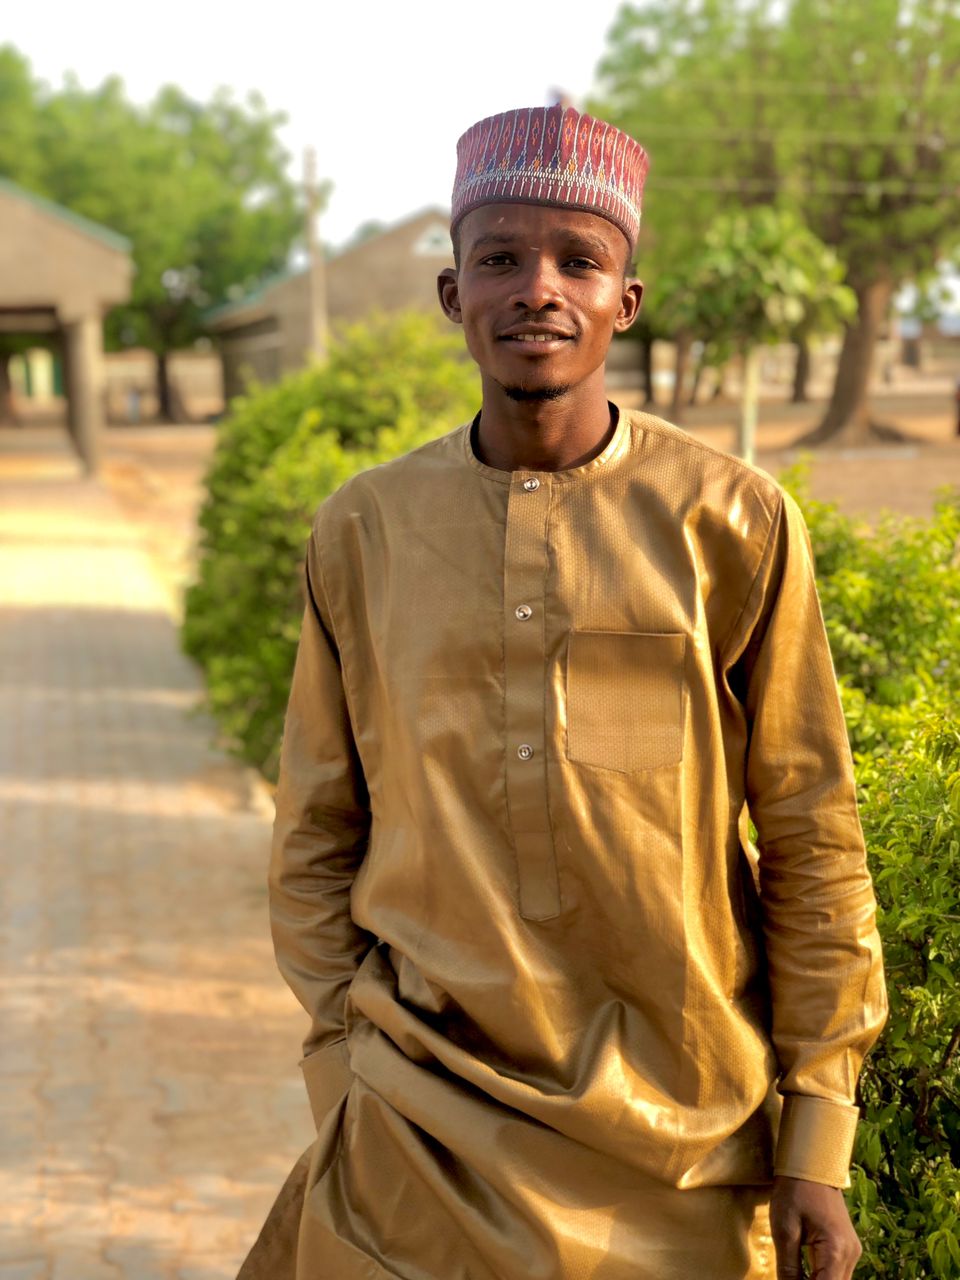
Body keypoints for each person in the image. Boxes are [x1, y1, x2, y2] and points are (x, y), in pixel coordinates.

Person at [261, 105, 887, 1280]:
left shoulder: (731, 522)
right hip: (419, 1120)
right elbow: (316, 829)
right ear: (453, 293)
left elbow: (812, 833)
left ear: (625, 301)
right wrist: (343, 1069)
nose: (537, 289)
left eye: (577, 261)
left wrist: (818, 1130)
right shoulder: (366, 530)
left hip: (682, 1138)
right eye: (500, 257)